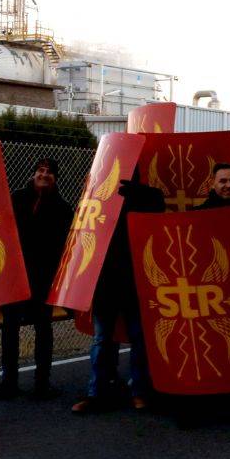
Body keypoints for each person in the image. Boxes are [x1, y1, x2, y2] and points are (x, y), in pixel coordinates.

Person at [72, 169, 166, 414]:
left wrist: (138, 194)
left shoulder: (145, 196)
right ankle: (96, 393)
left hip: (134, 280)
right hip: (104, 283)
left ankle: (139, 392)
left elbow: (159, 206)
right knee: (101, 340)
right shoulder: (97, 197)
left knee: (139, 339)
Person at [0, 157, 72, 401]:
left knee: (43, 330)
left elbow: (67, 246)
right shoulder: (15, 200)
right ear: (33, 173)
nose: (44, 174)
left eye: (49, 172)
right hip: (15, 276)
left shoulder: (62, 208)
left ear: (56, 178)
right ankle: (9, 382)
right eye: (40, 170)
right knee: (10, 329)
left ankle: (42, 383)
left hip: (43, 278)